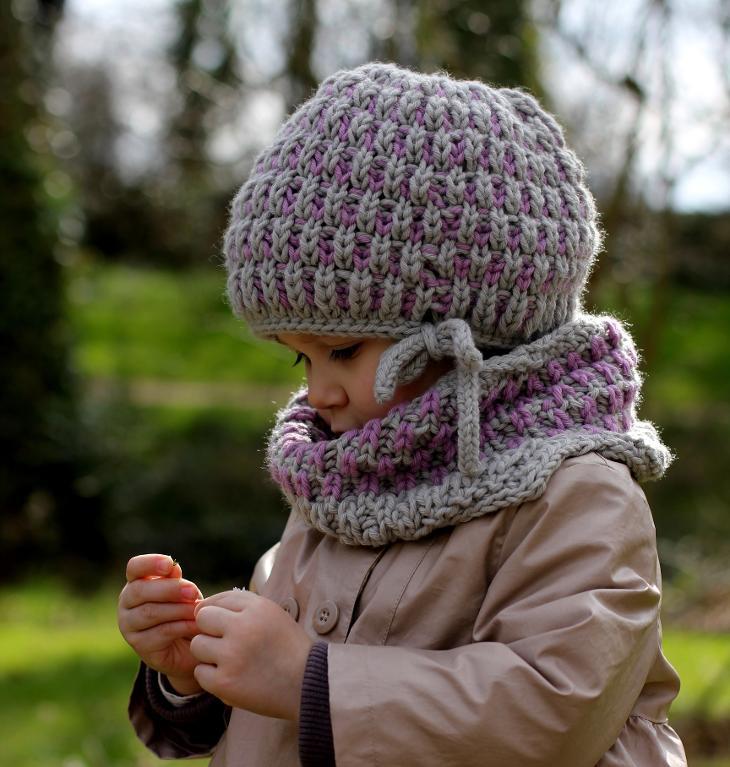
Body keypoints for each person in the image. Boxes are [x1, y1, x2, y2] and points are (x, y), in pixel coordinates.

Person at [117, 61, 688, 766]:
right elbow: (270, 700)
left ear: (471, 334)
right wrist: (193, 672)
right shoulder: (343, 466)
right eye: (301, 359)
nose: (318, 392)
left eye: (344, 351)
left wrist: (308, 679)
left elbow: (556, 706)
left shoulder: (576, 493)